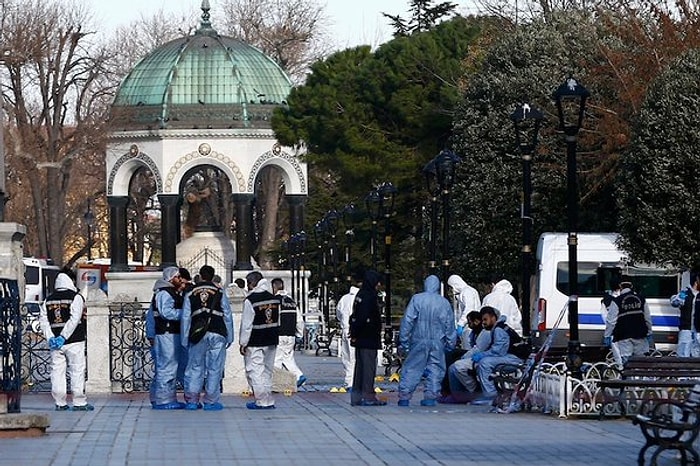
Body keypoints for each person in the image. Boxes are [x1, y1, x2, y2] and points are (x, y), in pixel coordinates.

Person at [397, 275, 456, 407]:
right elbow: (450, 325)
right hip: (437, 341)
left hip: (418, 339)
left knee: (412, 367)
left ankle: (404, 397)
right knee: (436, 368)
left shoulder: (417, 299)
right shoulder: (444, 302)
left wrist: (404, 340)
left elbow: (408, 320)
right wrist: (451, 343)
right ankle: (431, 396)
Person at [181, 265, 234, 411]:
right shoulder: (219, 291)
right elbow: (227, 314)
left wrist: (185, 338)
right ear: (212, 276)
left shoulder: (191, 292)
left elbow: (186, 317)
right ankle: (211, 401)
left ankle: (192, 400)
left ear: (200, 275)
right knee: (215, 368)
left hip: (197, 334)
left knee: (195, 367)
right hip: (217, 332)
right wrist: (230, 336)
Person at [446, 306, 524, 405]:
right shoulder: (496, 329)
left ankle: (490, 396)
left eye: (485, 319)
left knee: (485, 363)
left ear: (493, 317)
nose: (483, 322)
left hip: (513, 358)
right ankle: (483, 393)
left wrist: (482, 355)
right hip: (508, 356)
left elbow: (498, 351)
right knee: (482, 362)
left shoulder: (499, 330)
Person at [39, 271, 93, 411]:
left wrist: (51, 337)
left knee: (57, 372)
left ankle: (60, 402)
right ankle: (79, 402)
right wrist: (64, 336)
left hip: (55, 343)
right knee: (77, 370)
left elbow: (43, 321)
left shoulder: (48, 300)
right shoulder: (76, 297)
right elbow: (74, 319)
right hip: (75, 340)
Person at [239, 271, 280, 409]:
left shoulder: (251, 300)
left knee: (254, 370)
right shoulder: (274, 298)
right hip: (272, 338)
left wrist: (243, 343)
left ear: (252, 283)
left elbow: (246, 324)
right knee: (267, 370)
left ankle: (261, 400)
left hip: (256, 339)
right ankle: (268, 399)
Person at [148, 266, 186, 409]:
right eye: (178, 277)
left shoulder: (170, 293)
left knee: (169, 366)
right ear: (171, 278)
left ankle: (161, 397)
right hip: (167, 334)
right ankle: (164, 400)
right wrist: (185, 314)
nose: (180, 279)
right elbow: (166, 312)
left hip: (170, 333)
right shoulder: (165, 294)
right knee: (167, 366)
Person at [349, 269, 386, 406]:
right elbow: (364, 317)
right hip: (368, 336)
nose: (379, 285)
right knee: (368, 367)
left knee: (360, 367)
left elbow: (355, 316)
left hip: (360, 337)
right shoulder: (369, 296)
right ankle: (368, 396)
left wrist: (354, 333)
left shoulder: (361, 294)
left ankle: (357, 395)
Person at [604, 278, 653, 364]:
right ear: (631, 286)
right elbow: (647, 318)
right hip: (640, 335)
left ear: (620, 287)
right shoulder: (641, 299)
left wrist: (607, 335)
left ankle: (629, 376)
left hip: (624, 336)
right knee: (640, 363)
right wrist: (649, 332)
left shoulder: (616, 301)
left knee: (627, 362)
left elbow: (611, 321)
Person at [271, 277, 306, 387]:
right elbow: (299, 320)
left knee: (277, 359)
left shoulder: (275, 301)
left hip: (279, 334)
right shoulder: (292, 302)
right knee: (288, 358)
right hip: (290, 335)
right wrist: (299, 334)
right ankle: (299, 375)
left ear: (274, 287)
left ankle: (276, 383)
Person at [336, 277, 360, 389]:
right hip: (355, 330)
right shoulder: (360, 298)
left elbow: (338, 314)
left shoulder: (344, 298)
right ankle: (353, 381)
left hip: (345, 330)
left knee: (346, 357)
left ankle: (347, 380)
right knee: (355, 357)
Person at [671, 271, 700, 357]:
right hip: (686, 330)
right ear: (696, 281)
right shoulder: (685, 294)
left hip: (698, 332)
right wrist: (679, 298)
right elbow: (674, 302)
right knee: (683, 355)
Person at [447, 274, 481, 346]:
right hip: (469, 325)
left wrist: (460, 324)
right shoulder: (464, 292)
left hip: (470, 325)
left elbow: (469, 309)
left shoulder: (467, 292)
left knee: (467, 348)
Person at [601, 277, 624, 368]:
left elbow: (606, 318)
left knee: (619, 358)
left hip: (615, 333)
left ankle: (623, 374)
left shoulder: (606, 299)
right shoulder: (630, 297)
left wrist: (607, 334)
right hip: (629, 331)